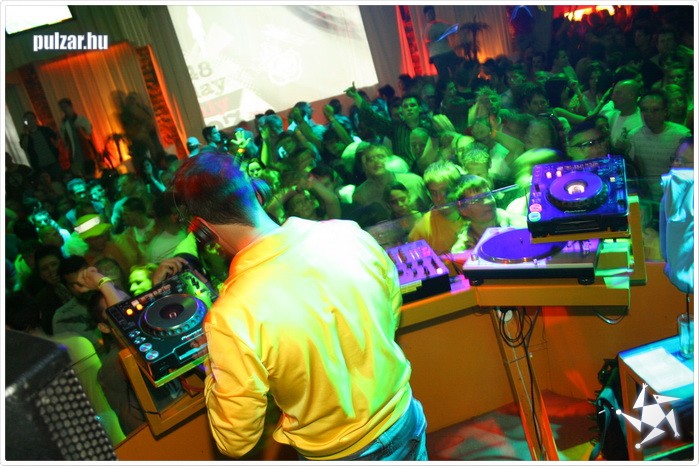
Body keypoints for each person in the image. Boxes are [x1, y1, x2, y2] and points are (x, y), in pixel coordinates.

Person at [171, 151, 427, 460]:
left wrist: (213, 366)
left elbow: (235, 440)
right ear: (258, 193)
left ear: (202, 229)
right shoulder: (347, 233)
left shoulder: (231, 316)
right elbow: (390, 310)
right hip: (405, 418)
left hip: (339, 453)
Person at [58, 98, 98, 178]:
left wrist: (81, 131)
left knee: (91, 176)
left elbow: (89, 135)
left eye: (65, 106)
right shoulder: (63, 124)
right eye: (62, 108)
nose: (64, 109)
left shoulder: (82, 120)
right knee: (80, 178)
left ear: (70, 106)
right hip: (75, 155)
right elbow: (64, 141)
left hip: (87, 153)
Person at [19, 111, 64, 182]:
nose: (30, 121)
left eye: (31, 118)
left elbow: (56, 136)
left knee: (60, 181)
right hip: (40, 167)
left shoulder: (44, 129)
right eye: (27, 120)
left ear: (35, 119)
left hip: (53, 162)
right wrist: (26, 134)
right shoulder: (24, 135)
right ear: (25, 123)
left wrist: (56, 145)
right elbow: (24, 147)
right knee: (47, 185)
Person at [422, 6, 461, 82]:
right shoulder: (425, 28)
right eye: (429, 14)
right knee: (444, 76)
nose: (432, 15)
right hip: (437, 55)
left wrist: (452, 30)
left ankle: (459, 85)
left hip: (448, 50)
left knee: (456, 71)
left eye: (433, 13)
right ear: (425, 16)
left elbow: (452, 30)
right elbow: (426, 38)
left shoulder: (442, 23)